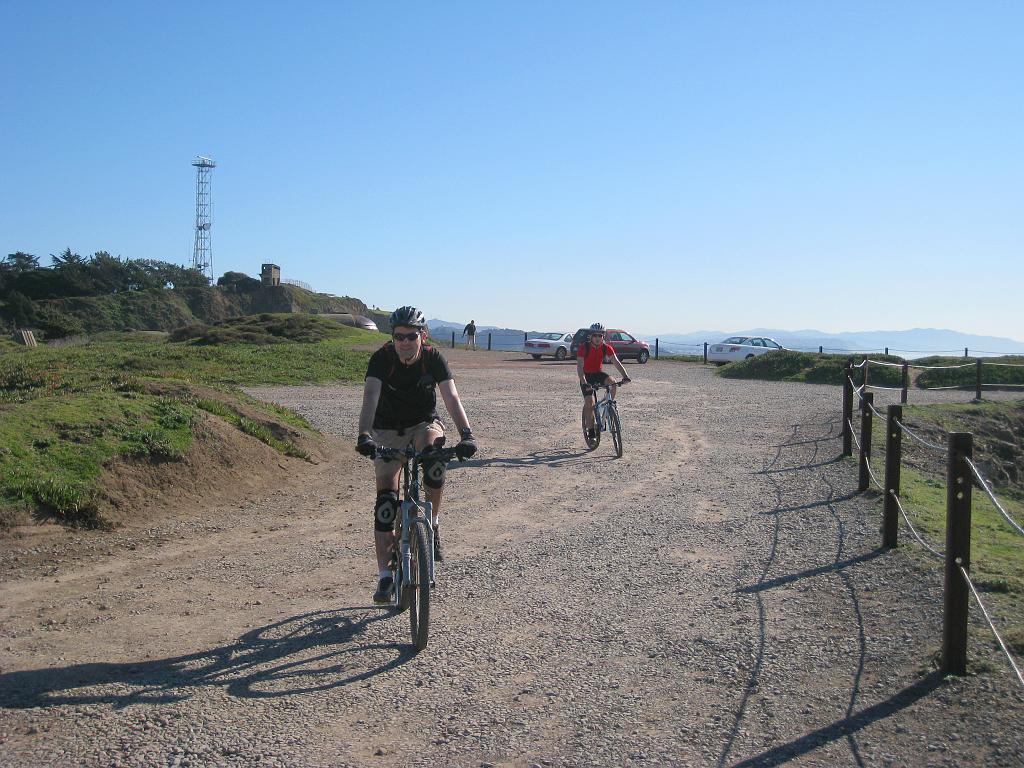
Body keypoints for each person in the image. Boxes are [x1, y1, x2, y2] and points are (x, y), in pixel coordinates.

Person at [355, 306, 477, 603]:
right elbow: (370, 396)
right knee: (386, 502)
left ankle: (432, 523)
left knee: (435, 463)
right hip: (386, 429)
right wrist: (364, 435)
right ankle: (385, 576)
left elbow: (451, 396)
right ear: (392, 337)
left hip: (423, 424)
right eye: (399, 336)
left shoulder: (433, 358)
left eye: (411, 336)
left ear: (422, 336)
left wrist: (467, 434)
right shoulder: (382, 359)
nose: (405, 342)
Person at [577, 322, 630, 441]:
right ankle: (591, 433)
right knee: (589, 402)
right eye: (595, 335)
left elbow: (616, 362)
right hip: (586, 376)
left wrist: (625, 376)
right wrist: (584, 382)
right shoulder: (583, 347)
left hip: (598, 374)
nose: (597, 338)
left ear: (603, 336)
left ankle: (607, 408)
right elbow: (580, 367)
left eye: (600, 335)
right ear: (591, 336)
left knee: (613, 383)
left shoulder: (606, 348)